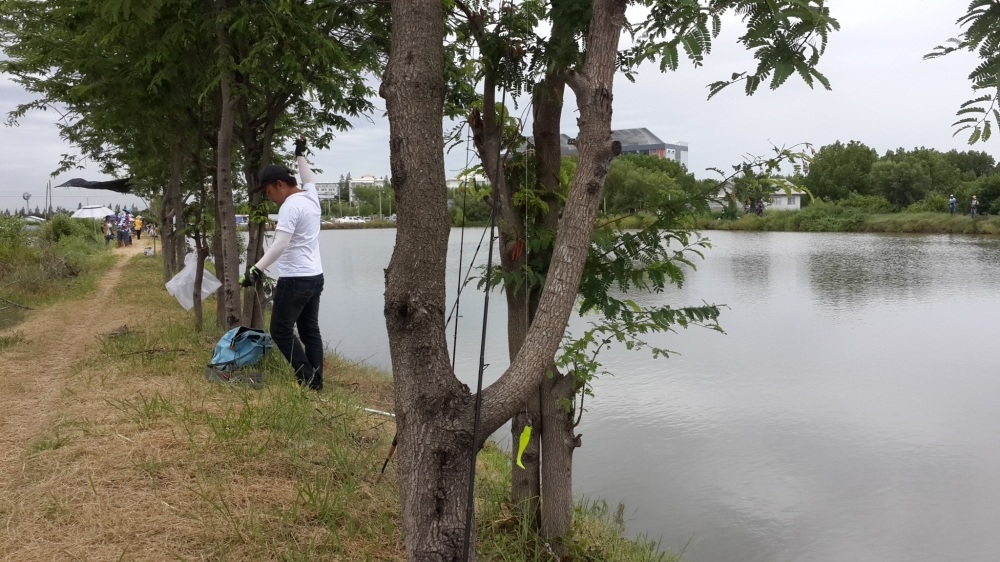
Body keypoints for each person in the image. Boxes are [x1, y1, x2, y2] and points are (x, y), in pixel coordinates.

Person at [241, 138, 325, 390]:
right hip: (315, 277)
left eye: (268, 192)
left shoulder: (290, 206)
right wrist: (300, 155)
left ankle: (308, 379)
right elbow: (308, 177)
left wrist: (256, 269)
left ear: (280, 185)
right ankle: (316, 382)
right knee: (310, 330)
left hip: (295, 279)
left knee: (280, 331)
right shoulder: (310, 197)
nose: (269, 198)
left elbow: (280, 244)